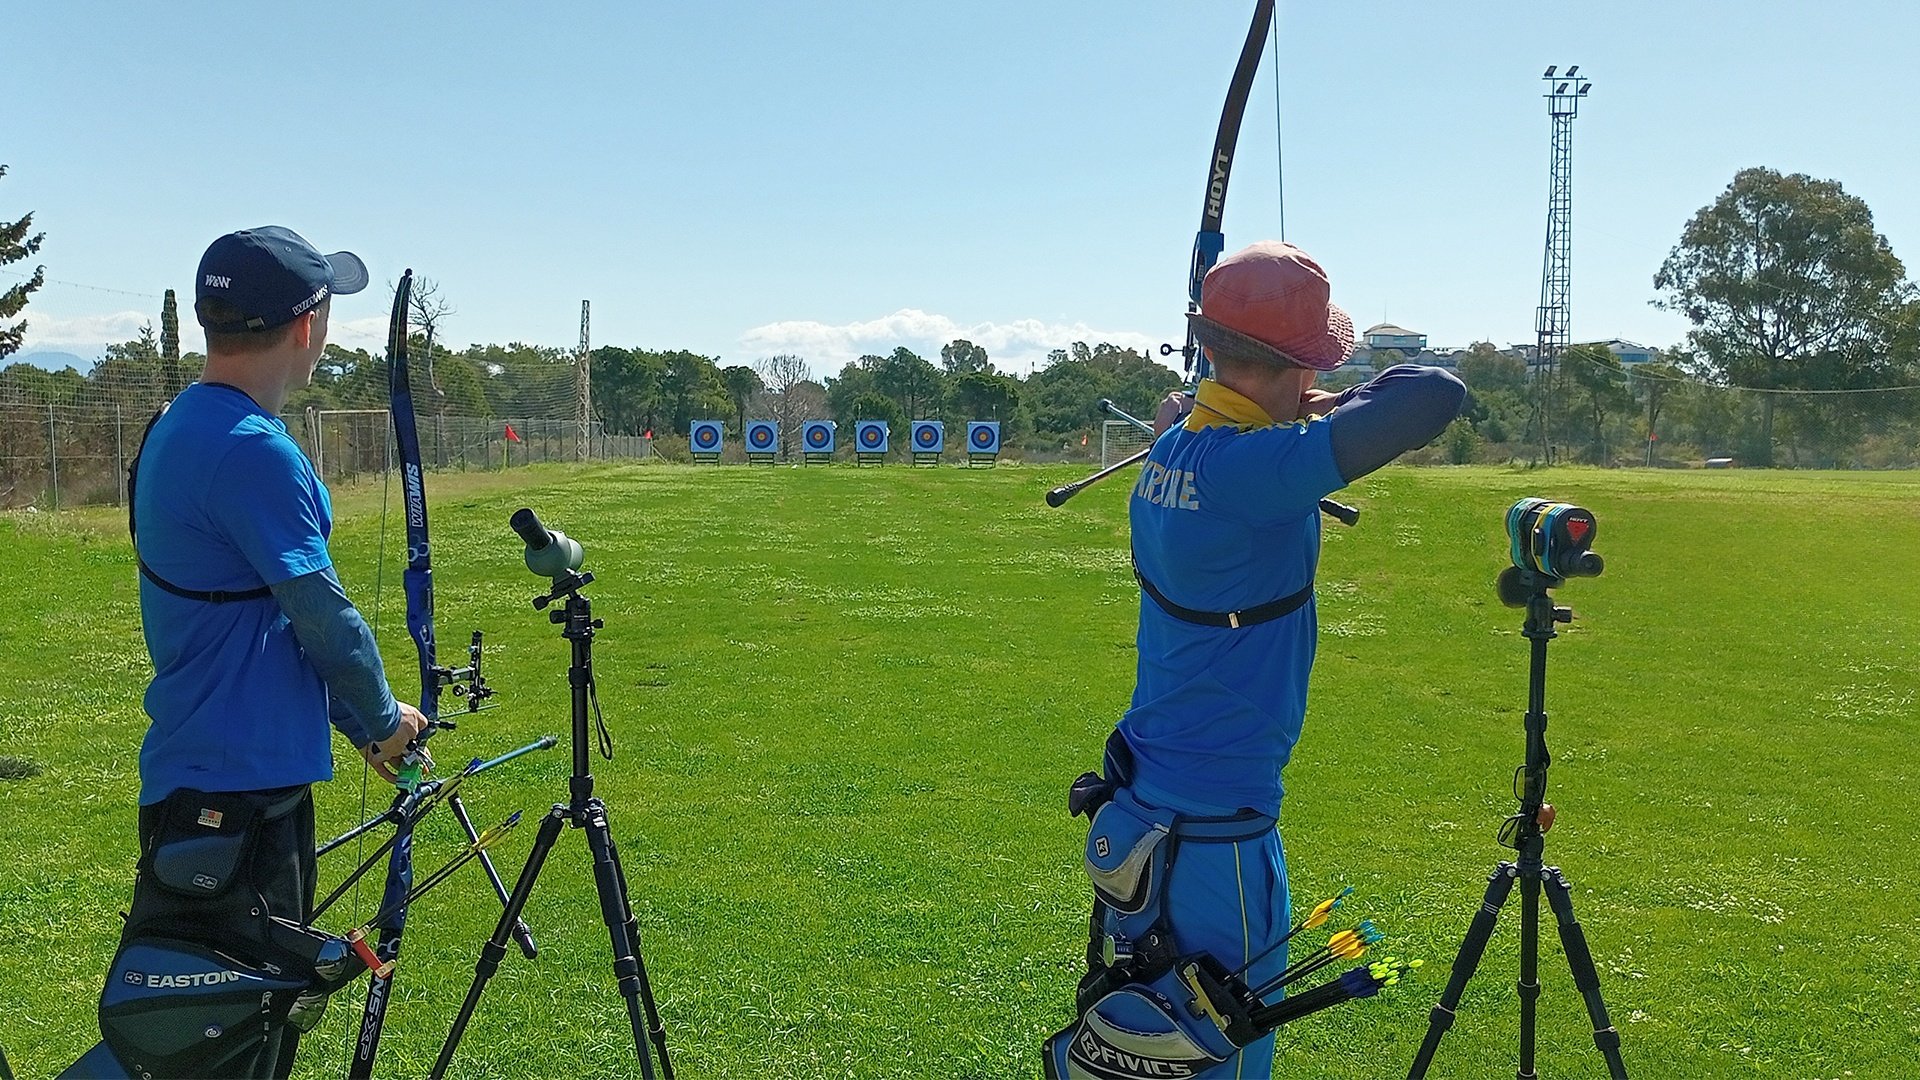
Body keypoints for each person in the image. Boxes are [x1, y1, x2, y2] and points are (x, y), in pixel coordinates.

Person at [1048, 241, 1465, 1079]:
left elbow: (1210, 433)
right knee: (1220, 1058)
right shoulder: (1257, 467)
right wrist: (1329, 404)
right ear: (1292, 366)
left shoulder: (1177, 449)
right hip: (1216, 830)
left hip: (1148, 803)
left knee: (1169, 1039)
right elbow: (1432, 394)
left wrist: (1266, 402)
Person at [100, 227, 428, 1078]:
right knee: (229, 1043)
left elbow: (267, 620)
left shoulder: (185, 423)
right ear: (307, 326)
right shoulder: (248, 447)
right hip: (236, 797)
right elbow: (320, 613)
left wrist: (360, 725)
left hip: (218, 781)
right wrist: (381, 717)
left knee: (229, 1033)